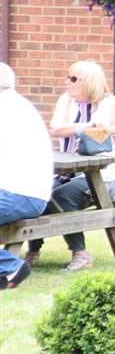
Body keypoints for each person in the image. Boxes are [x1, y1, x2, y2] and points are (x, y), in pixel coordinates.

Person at [28, 60, 115, 271]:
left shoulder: (110, 104)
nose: (67, 82)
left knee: (61, 197)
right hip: (67, 174)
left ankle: (81, 254)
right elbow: (56, 128)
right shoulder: (66, 101)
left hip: (102, 178)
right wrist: (87, 127)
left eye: (73, 79)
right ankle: (33, 251)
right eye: (68, 77)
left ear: (89, 81)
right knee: (38, 194)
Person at [0, 64, 53, 289]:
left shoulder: (6, 109)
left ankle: (9, 266)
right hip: (28, 192)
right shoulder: (19, 105)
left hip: (17, 193)